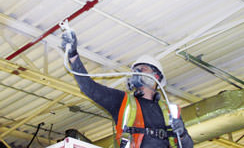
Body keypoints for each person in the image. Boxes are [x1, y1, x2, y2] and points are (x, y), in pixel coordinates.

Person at [61, 31, 193, 148]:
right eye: (135, 70)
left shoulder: (169, 112)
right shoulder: (122, 102)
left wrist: (182, 134)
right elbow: (89, 88)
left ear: (156, 76)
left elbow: (188, 146)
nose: (137, 72)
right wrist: (73, 56)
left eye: (142, 69)